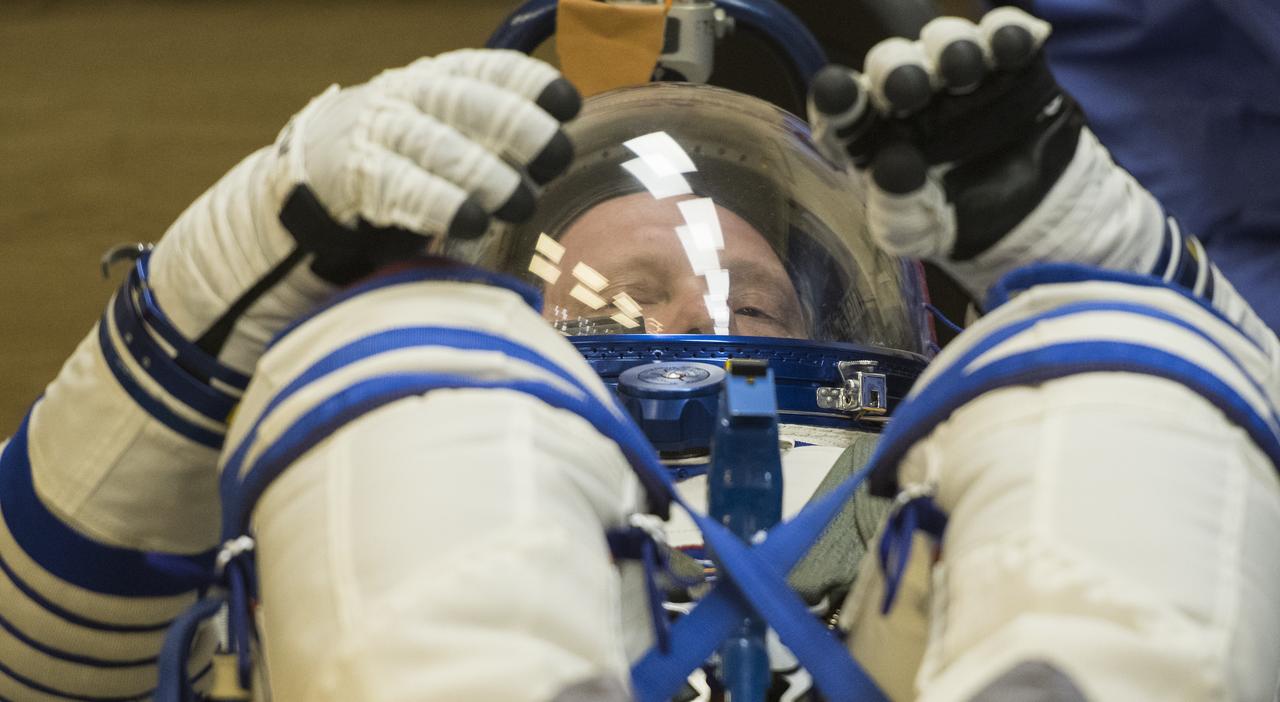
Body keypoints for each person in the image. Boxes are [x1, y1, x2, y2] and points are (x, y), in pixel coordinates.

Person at [0, 9, 1275, 702]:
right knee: (403, 365)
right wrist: (231, 262)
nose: (682, 339)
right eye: (613, 309)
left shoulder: (939, 550)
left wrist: (1120, 275)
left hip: (896, 630)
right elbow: (37, 664)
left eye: (749, 307)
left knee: (1110, 370)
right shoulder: (407, 470)